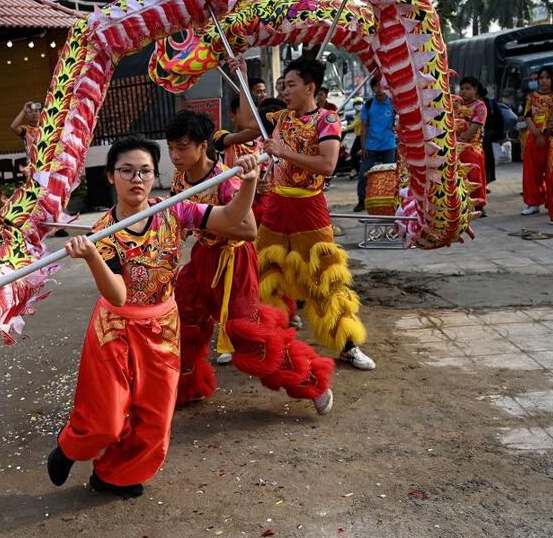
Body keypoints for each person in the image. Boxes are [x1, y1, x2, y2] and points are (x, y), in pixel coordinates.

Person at [47, 137, 260, 498]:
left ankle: (113, 475)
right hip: (114, 328)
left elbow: (230, 218)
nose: (137, 178)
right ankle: (70, 448)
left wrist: (250, 181)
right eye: (126, 170)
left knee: (155, 417)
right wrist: (92, 257)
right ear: (111, 177)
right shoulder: (104, 233)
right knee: (106, 418)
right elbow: (118, 294)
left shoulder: (176, 210)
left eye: (145, 170)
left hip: (162, 326)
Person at [167, 110, 334, 409]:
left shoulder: (225, 180)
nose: (175, 155)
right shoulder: (179, 181)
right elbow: (177, 226)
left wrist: (200, 220)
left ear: (202, 146)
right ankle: (189, 386)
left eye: (182, 147)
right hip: (203, 257)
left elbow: (248, 230)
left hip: (234, 263)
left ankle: (311, 381)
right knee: (183, 318)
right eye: (171, 148)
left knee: (248, 333)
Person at [235, 56, 375, 371]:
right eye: (283, 85)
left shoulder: (327, 120)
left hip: (309, 208)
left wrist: (284, 151)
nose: (285, 90)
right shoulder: (280, 117)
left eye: (291, 85)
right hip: (276, 207)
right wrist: (243, 75)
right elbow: (246, 122)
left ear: (310, 87)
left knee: (324, 278)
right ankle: (269, 343)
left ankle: (347, 345)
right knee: (266, 274)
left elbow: (327, 165)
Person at [354, 76, 396, 212]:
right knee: (362, 174)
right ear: (373, 88)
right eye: (376, 86)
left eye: (382, 86)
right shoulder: (368, 105)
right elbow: (364, 127)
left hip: (389, 145)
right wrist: (363, 146)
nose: (379, 89)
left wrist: (396, 128)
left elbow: (404, 119)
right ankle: (361, 200)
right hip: (370, 147)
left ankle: (392, 201)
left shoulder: (394, 104)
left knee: (391, 176)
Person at [452, 77, 489, 216]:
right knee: (458, 176)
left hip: (472, 147)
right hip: (455, 146)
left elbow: (476, 124)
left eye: (468, 89)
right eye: (462, 88)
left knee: (474, 176)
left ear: (475, 90)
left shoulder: (480, 106)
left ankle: (479, 205)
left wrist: (463, 138)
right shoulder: (455, 105)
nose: (463, 92)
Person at [520, 66, 553, 216]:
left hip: (550, 137)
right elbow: (527, 116)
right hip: (533, 137)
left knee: (550, 171)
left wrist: (546, 134)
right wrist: (536, 134)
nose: (544, 80)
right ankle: (533, 203)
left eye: (547, 77)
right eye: (541, 78)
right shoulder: (531, 97)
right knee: (531, 171)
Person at [213, 95, 261, 167]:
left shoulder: (261, 147)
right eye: (245, 111)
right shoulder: (220, 135)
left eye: (253, 111)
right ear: (232, 116)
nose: (251, 115)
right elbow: (237, 138)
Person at [477, 84, 505, 185]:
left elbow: (500, 120)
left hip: (488, 137)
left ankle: (485, 182)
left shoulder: (490, 103)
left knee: (487, 160)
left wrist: (501, 137)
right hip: (476, 137)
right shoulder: (468, 104)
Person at [348, 97, 365, 179]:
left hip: (361, 136)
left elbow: (355, 124)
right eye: (357, 104)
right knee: (356, 153)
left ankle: (355, 170)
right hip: (359, 135)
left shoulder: (361, 113)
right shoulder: (357, 114)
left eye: (360, 103)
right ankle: (357, 170)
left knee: (353, 152)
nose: (358, 105)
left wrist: (344, 128)